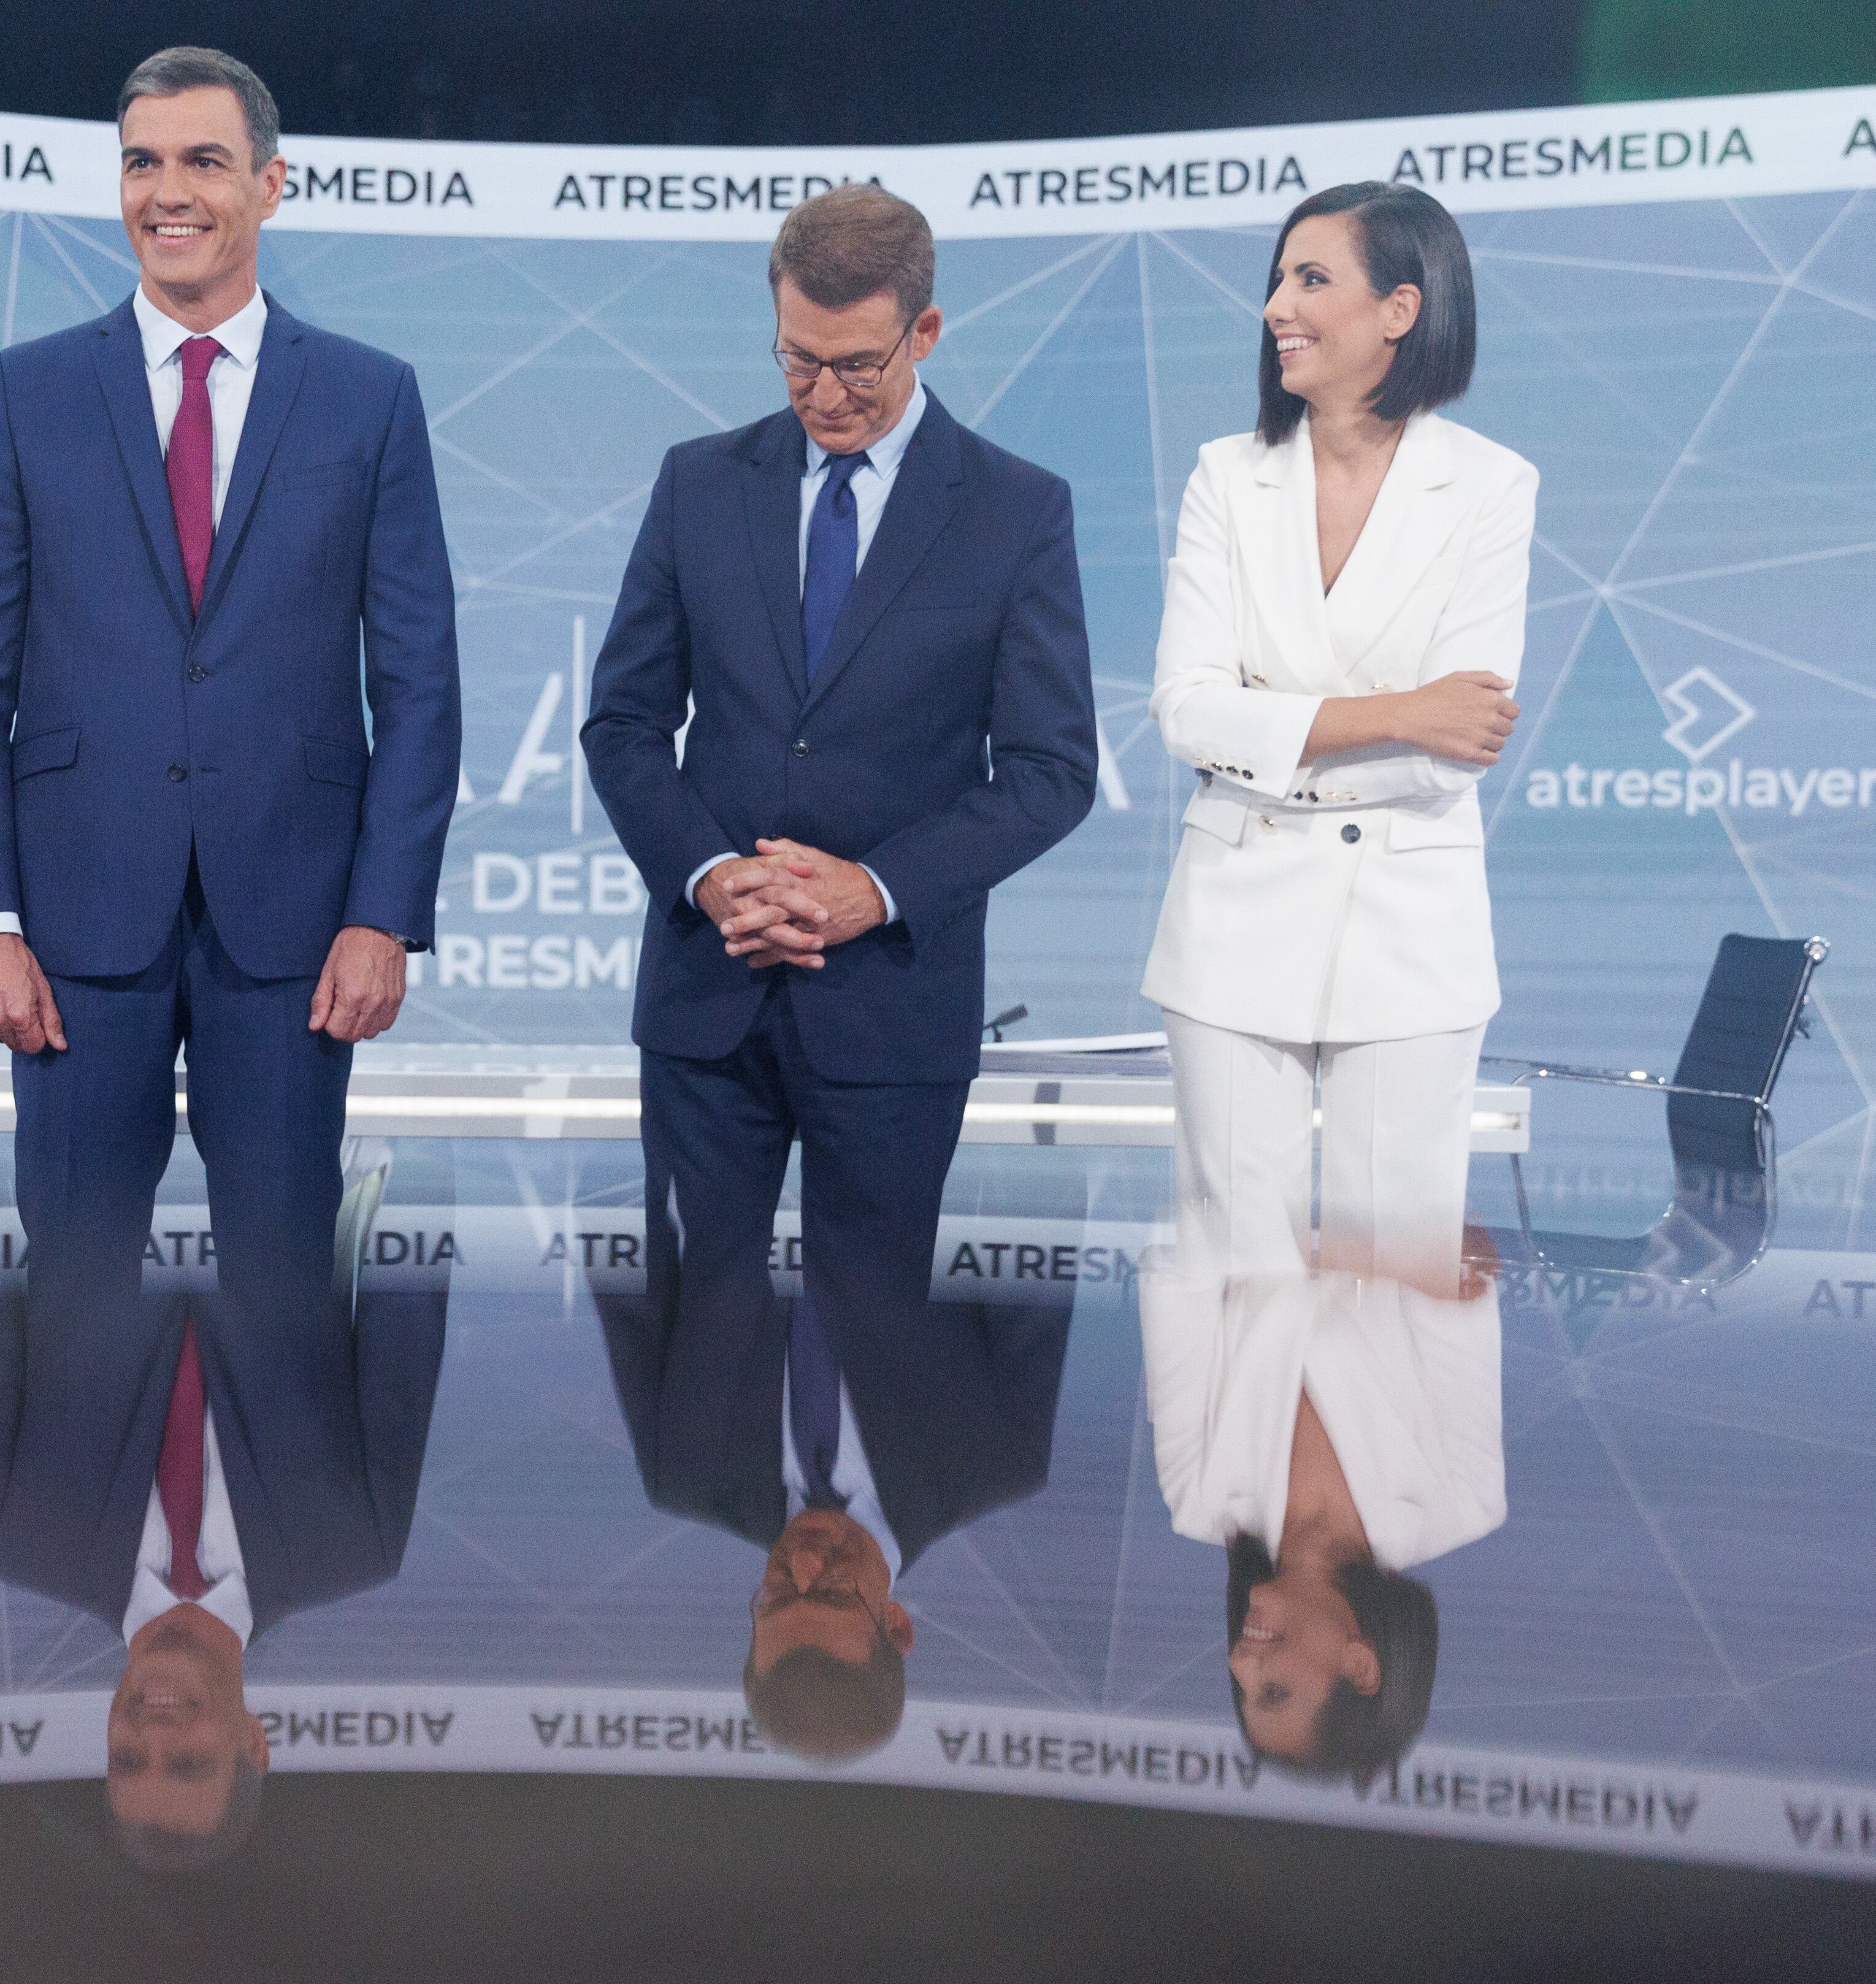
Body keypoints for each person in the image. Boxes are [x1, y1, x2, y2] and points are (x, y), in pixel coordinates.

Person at [579, 182, 1096, 1763]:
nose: (820, 395)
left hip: (892, 1012)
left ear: (924, 333)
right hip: (707, 1003)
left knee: (880, 1283)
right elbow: (620, 728)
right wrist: (714, 871)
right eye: (798, 359)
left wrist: (867, 890)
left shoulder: (1015, 509)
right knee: (718, 1284)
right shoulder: (696, 483)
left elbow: (1048, 771)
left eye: (856, 367)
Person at [0, 45, 460, 1471]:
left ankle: (263, 1601)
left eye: (203, 162)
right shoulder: (20, 393)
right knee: (77, 1293)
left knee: (284, 1295)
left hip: (293, 931)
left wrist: (382, 911)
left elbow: (415, 685)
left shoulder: (369, 400)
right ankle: (91, 1608)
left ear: (269, 187)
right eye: (143, 162)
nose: (169, 193)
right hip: (70, 931)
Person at [1141, 182, 1534, 1290]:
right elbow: (1185, 711)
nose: (1276, 306)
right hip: (1229, 918)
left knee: (1396, 1275)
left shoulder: (1489, 487)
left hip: (1409, 928)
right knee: (1230, 1276)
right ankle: (1243, 1477)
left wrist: (1283, 724)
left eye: (1310, 279)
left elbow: (1452, 744)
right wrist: (1395, 709)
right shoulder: (1228, 475)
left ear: (1399, 310)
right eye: (1276, 278)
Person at [0, 1159, 448, 1868]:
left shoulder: (16, 1533)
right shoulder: (354, 1543)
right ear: (253, 1743)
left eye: (128, 1759)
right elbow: (410, 1282)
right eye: (188, 1763)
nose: (153, 1734)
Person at [597, 1276, 1075, 1764]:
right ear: (896, 1624)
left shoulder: (684, 1469)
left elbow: (616, 1238)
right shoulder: (995, 1454)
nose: (803, 1561)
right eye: (834, 1592)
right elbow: (1027, 1216)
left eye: (778, 1594)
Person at [1138, 1261, 1503, 1780]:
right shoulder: (1466, 1500)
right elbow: (1452, 1256)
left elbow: (1174, 1264)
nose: (1240, 1664)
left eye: (1242, 1689)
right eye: (1275, 1691)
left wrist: (1332, 1250)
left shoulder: (1194, 1494)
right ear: (1360, 1666)